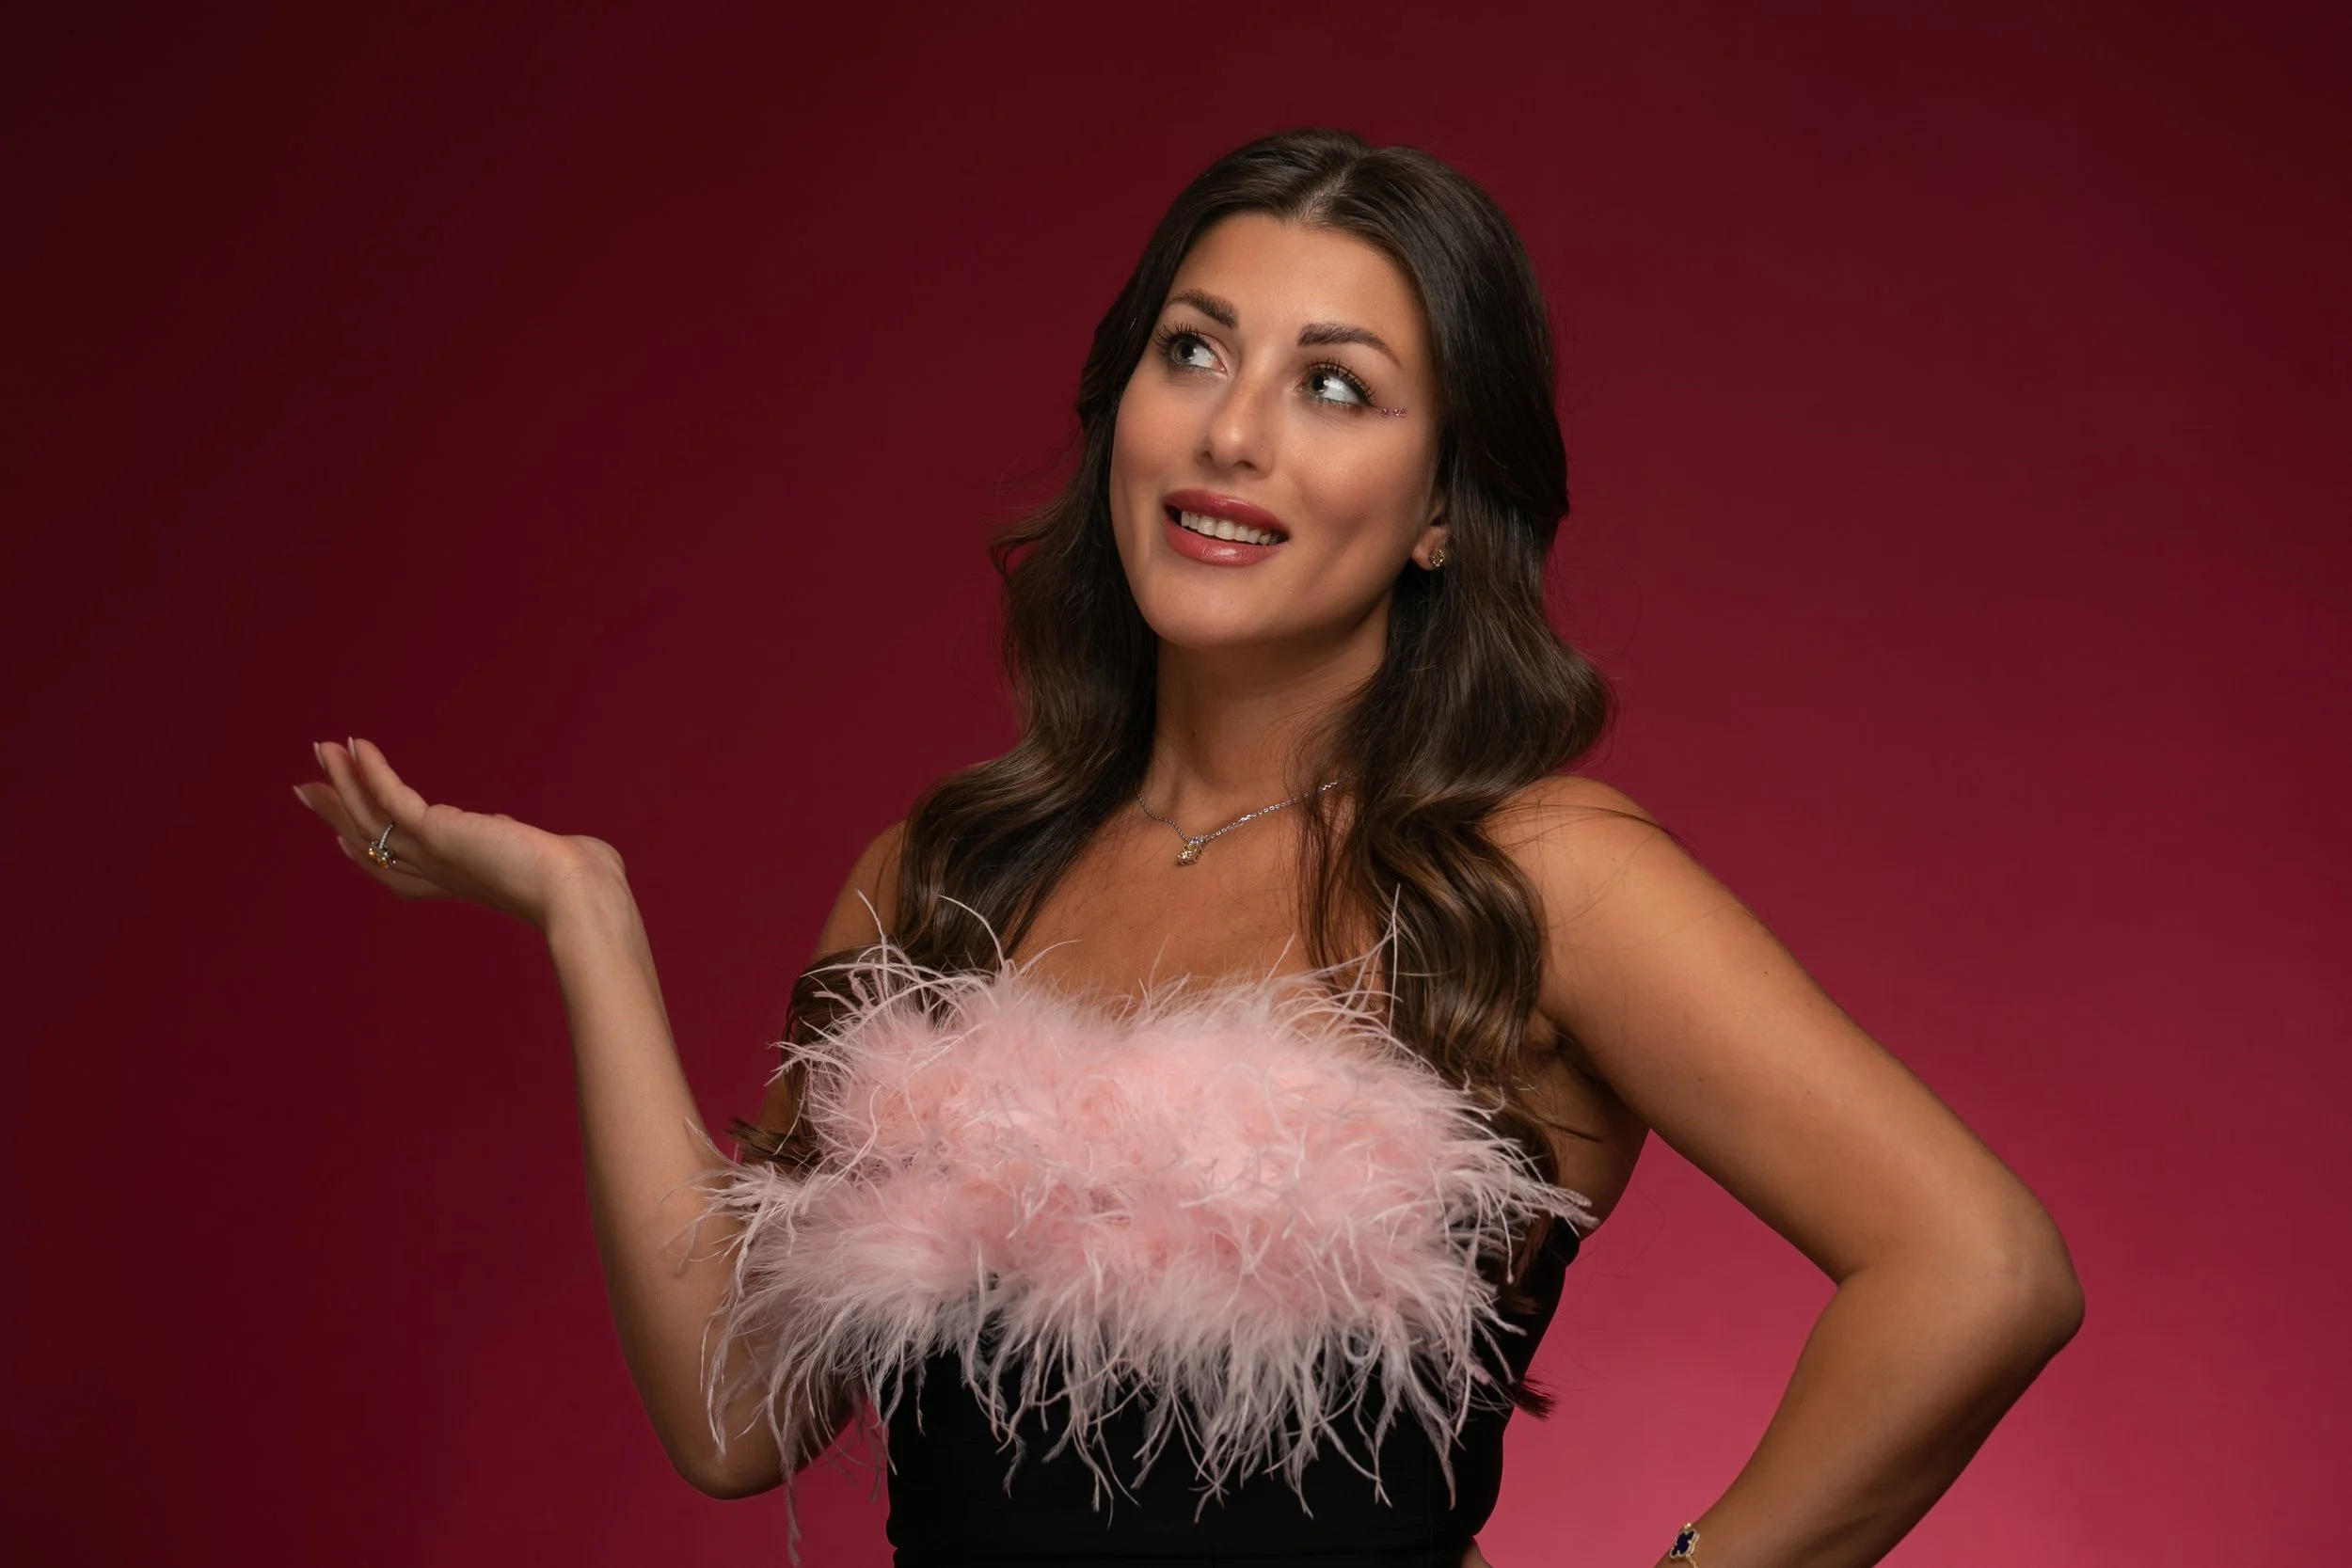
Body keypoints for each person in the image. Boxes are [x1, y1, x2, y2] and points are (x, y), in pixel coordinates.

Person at [293, 128, 2083, 1568]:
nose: (1233, 430)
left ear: (1445, 512)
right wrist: (587, 920)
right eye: (1195, 349)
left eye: (1336, 386)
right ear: (1121, 411)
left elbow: (1979, 1269)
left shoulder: (1541, 876)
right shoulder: (944, 876)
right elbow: (735, 1410)